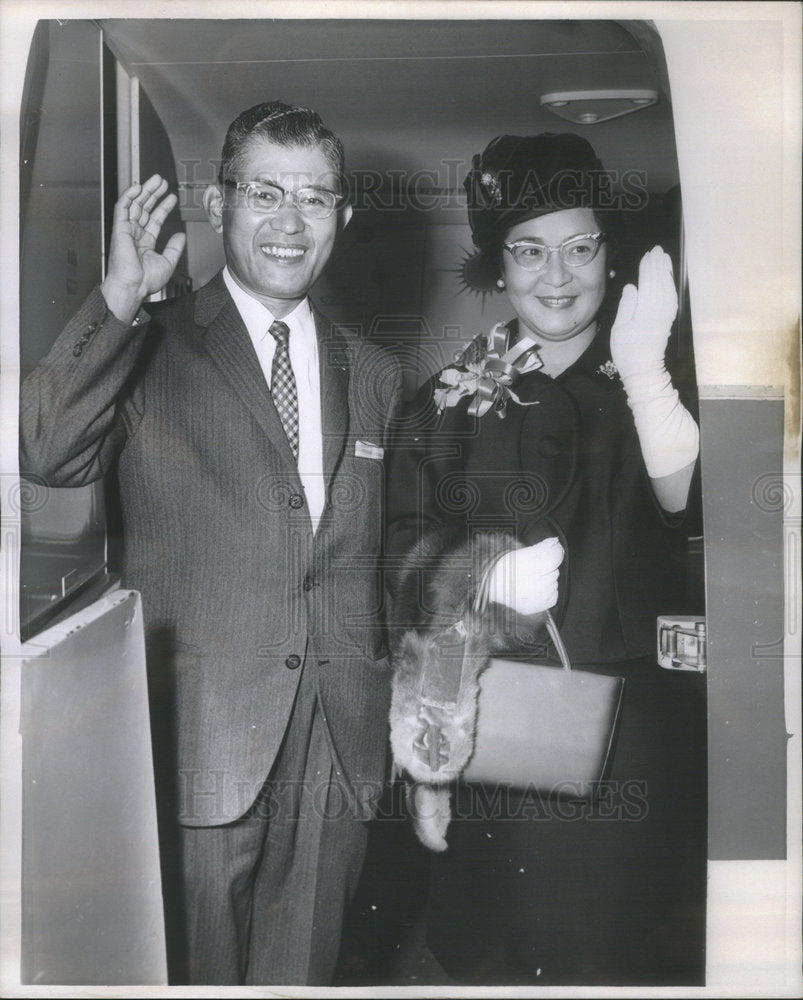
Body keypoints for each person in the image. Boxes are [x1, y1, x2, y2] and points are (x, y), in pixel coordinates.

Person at [19, 102, 402, 986]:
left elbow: (381, 554)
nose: (287, 220)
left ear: (341, 219)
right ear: (218, 203)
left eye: (313, 198)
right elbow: (43, 451)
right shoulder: (148, 345)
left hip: (337, 748)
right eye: (264, 191)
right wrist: (118, 298)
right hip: (198, 741)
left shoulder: (380, 376)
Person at [385, 133, 707, 985]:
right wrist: (479, 579)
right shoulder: (444, 401)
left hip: (638, 733)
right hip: (497, 726)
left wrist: (646, 375)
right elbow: (400, 557)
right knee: (498, 955)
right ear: (499, 262)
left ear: (609, 251)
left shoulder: (657, 373)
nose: (557, 278)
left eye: (580, 249)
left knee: (615, 957)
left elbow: (698, 510)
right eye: (529, 252)